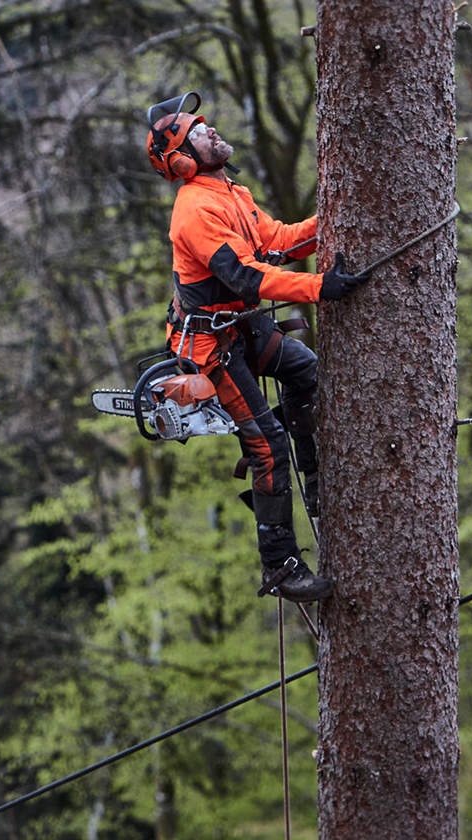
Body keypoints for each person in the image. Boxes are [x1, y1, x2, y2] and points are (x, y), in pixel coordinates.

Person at [144, 92, 362, 603]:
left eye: (206, 123)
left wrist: (333, 222)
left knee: (305, 372)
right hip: (212, 344)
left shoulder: (231, 193)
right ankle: (281, 566)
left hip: (241, 327)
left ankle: (316, 480)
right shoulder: (194, 211)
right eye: (198, 131)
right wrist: (319, 286)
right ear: (181, 158)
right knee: (266, 446)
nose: (211, 130)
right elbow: (245, 273)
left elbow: (277, 241)